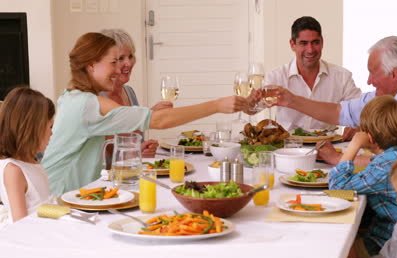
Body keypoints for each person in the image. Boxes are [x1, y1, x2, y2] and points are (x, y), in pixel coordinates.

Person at [42, 32, 248, 196]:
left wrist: (146, 114)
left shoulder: (73, 96)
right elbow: (158, 121)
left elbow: (128, 118)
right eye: (113, 62)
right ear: (91, 64)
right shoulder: (87, 103)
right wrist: (217, 105)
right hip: (60, 197)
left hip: (77, 192)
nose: (118, 69)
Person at [271, 36, 397, 165]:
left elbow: (396, 163)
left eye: (372, 72)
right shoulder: (386, 95)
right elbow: (339, 112)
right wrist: (292, 100)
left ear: (394, 74)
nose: (369, 81)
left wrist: (338, 158)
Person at [329, 95, 397, 256]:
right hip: (393, 234)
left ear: (370, 137)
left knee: (335, 249)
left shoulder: (383, 168)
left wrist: (354, 144)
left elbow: (336, 187)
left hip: (388, 243)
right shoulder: (395, 157)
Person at [264, 16, 361, 133]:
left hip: (329, 145)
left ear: (322, 42)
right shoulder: (276, 76)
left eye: (315, 42)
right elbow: (255, 107)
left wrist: (356, 126)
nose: (310, 50)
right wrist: (246, 103)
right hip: (288, 146)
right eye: (303, 43)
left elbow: (361, 111)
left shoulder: (342, 76)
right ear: (292, 45)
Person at [100, 29, 170, 165]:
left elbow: (134, 145)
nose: (129, 63)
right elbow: (111, 150)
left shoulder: (129, 92)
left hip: (131, 172)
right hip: (105, 177)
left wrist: (143, 151)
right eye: (120, 58)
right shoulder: (97, 99)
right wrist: (149, 117)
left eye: (131, 56)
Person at [0, 87, 55, 224]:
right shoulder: (14, 170)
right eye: (50, 127)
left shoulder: (33, 162)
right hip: (31, 237)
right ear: (32, 129)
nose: (51, 134)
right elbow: (21, 225)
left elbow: (42, 204)